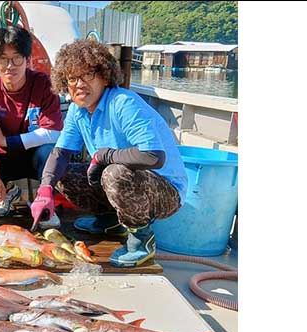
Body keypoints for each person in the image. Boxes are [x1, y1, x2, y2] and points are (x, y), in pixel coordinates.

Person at [29, 40, 188, 267]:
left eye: (87, 75)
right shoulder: (77, 109)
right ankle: (110, 220)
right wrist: (45, 190)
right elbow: (60, 153)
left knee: (113, 173)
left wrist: (105, 156)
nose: (79, 84)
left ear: (104, 76)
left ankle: (141, 240)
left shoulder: (123, 103)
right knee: (63, 175)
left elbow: (153, 156)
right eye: (72, 79)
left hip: (165, 191)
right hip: (120, 180)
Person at [0, 26, 63, 227]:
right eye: (2, 59)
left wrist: (6, 140)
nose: (10, 66)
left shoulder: (44, 85)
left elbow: (53, 133)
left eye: (17, 58)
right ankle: (8, 191)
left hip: (36, 157)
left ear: (28, 60)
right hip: (5, 160)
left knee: (52, 153)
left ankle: (45, 200)